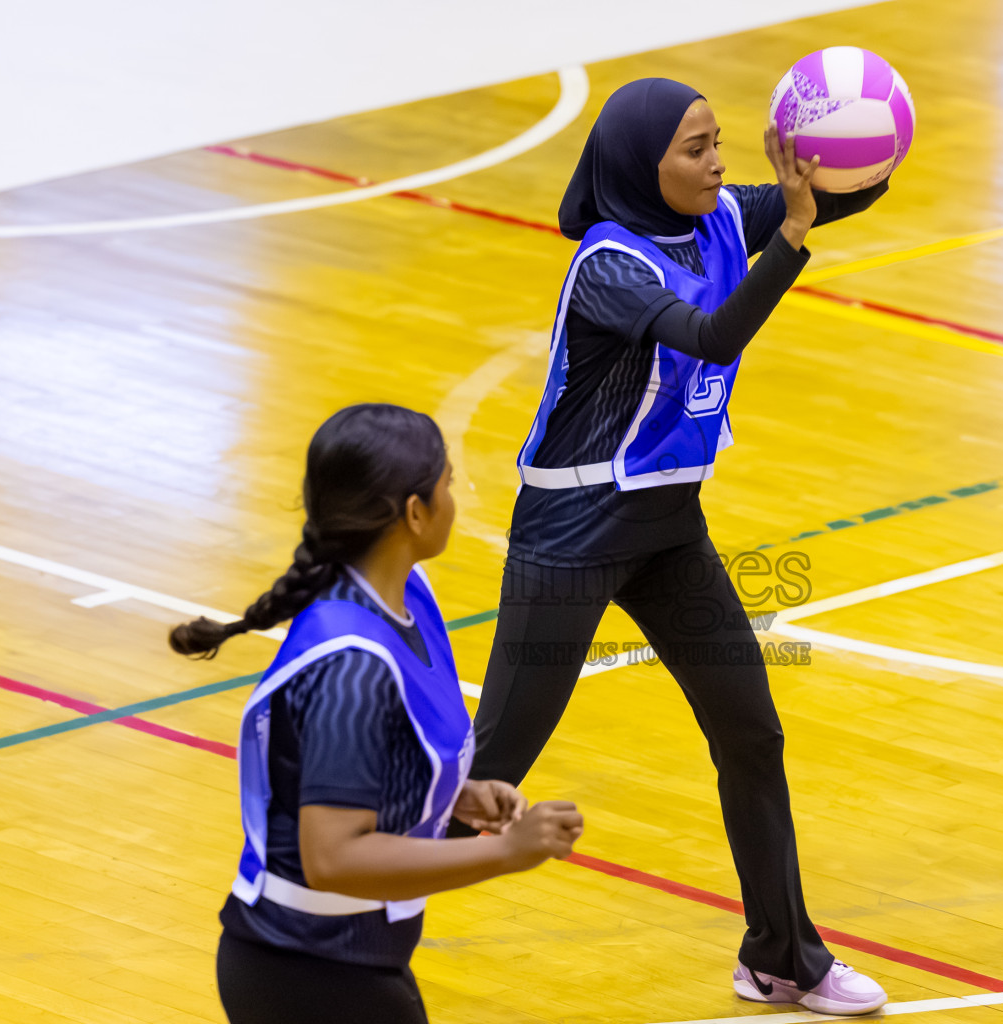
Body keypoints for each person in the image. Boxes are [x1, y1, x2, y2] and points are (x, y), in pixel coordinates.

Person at [456, 78, 890, 1015]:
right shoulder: (611, 265)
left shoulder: (725, 216)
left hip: (665, 527)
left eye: (720, 141)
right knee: (494, 764)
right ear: (640, 164)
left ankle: (782, 957)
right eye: (695, 148)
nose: (719, 163)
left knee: (751, 731)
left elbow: (853, 189)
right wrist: (795, 235)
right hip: (571, 531)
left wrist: (858, 128)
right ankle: (339, 906)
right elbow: (714, 333)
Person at [169, 403, 584, 1024]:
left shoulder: (404, 594)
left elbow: (369, 753)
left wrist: (447, 793)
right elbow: (333, 858)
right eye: (446, 483)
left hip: (348, 957)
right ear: (414, 513)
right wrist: (506, 852)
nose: (453, 497)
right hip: (304, 970)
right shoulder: (353, 668)